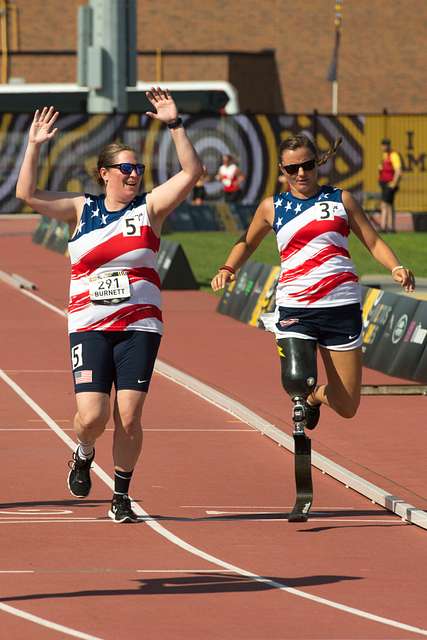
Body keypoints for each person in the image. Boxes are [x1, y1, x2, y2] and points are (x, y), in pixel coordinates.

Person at [16, 87, 203, 523]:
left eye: (137, 168)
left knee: (130, 416)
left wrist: (175, 124)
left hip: (140, 325)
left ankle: (121, 494)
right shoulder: (82, 210)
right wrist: (33, 146)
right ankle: (83, 453)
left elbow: (192, 171)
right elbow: (27, 194)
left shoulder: (150, 208)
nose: (134, 174)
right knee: (92, 416)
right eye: (125, 169)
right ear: (104, 174)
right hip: (89, 324)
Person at [211, 134, 414, 429]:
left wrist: (396, 266)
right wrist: (228, 267)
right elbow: (247, 243)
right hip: (296, 307)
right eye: (292, 169)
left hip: (341, 307)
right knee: (296, 379)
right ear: (282, 170)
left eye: (307, 165)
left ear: (317, 163)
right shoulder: (272, 206)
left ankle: (314, 398)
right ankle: (302, 396)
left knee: (348, 406)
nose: (301, 174)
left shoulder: (340, 200)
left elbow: (373, 241)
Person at [378, 138, 402, 233]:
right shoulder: (385, 155)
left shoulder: (394, 155)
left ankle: (384, 226)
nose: (384, 147)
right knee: (389, 205)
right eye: (383, 145)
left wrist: (393, 183)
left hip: (390, 184)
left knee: (384, 205)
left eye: (386, 145)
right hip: (384, 183)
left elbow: (398, 170)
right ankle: (390, 227)